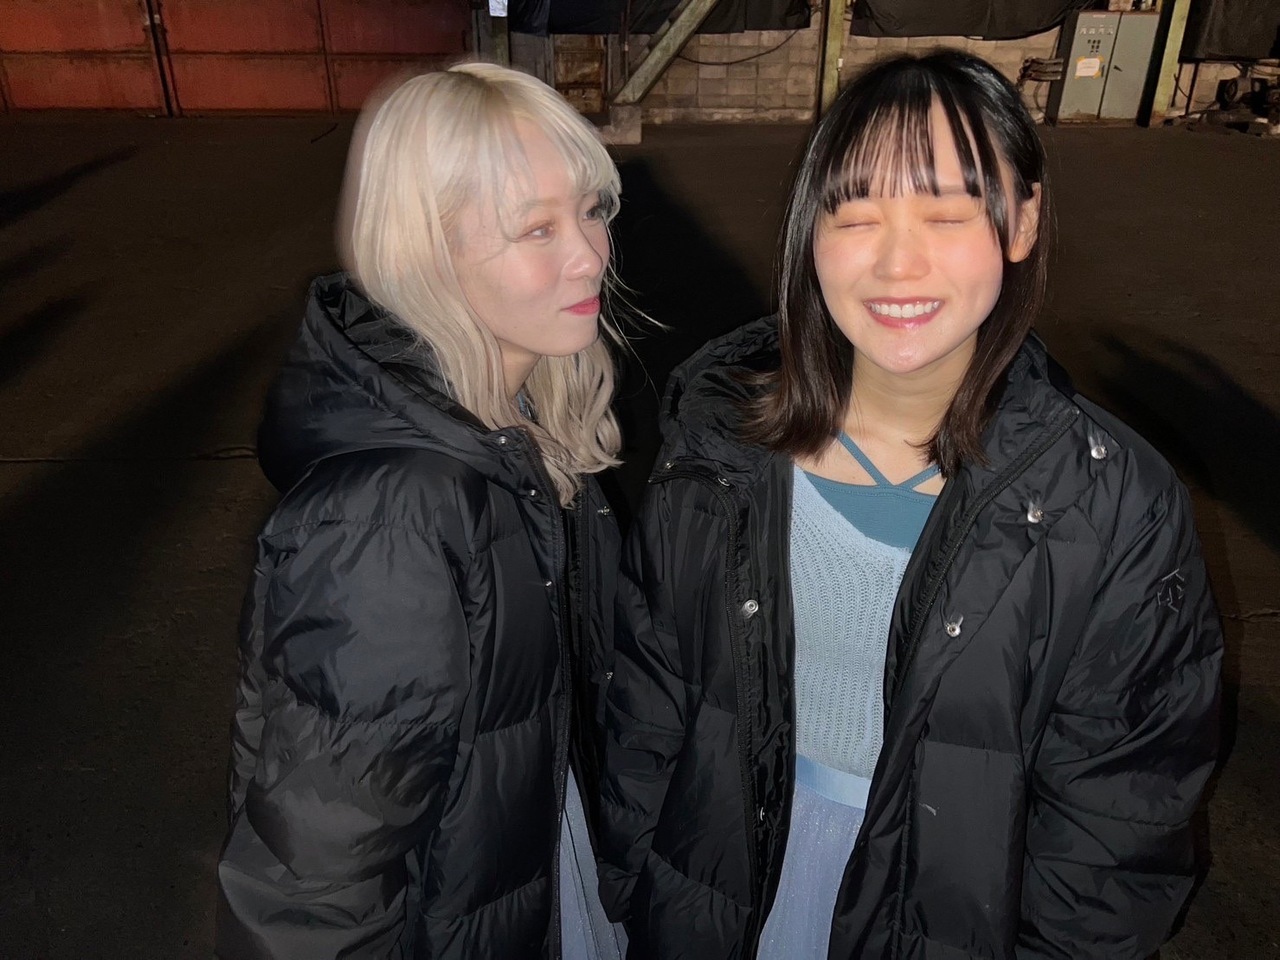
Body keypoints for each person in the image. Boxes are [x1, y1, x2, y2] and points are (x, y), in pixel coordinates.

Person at [597, 51, 1222, 960]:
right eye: (856, 215)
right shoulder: (717, 452)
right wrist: (630, 892)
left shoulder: (1112, 505)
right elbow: (648, 703)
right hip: (715, 891)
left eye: (946, 213)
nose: (898, 263)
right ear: (810, 232)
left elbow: (1117, 827)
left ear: (1022, 222)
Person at [215, 62, 627, 960]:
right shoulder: (390, 517)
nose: (591, 255)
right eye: (537, 229)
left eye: (593, 211)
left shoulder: (525, 424)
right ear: (426, 254)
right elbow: (315, 884)